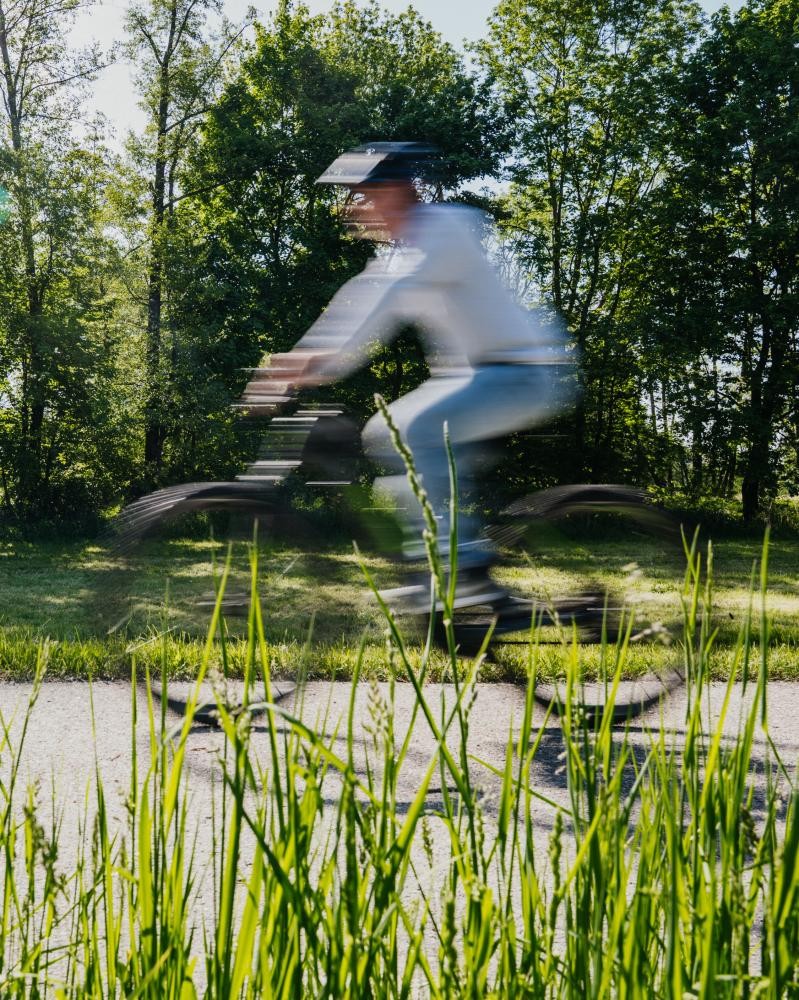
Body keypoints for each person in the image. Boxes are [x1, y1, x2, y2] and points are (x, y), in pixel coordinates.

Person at [242, 142, 571, 609]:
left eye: (362, 195)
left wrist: (309, 367)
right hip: (474, 379)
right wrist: (300, 361)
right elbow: (355, 305)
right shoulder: (402, 254)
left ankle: (461, 572)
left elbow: (390, 299)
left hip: (520, 373)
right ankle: (437, 573)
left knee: (412, 430)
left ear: (395, 190)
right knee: (384, 432)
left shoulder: (446, 229)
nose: (355, 208)